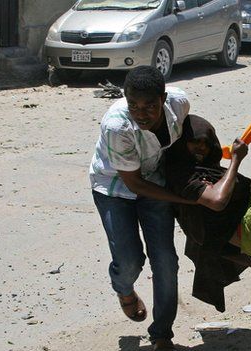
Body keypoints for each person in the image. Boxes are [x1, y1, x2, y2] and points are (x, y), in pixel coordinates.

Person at [89, 66, 192, 351]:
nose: (141, 113)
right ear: (125, 99)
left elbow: (190, 132)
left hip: (155, 181)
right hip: (114, 187)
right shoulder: (117, 126)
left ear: (164, 98)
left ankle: (162, 334)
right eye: (133, 104)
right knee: (129, 261)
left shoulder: (179, 102)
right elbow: (134, 183)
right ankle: (124, 290)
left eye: (150, 105)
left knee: (165, 260)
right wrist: (184, 199)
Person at [165, 115, 251, 313]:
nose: (200, 148)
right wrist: (236, 160)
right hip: (221, 232)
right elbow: (217, 200)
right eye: (194, 142)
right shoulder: (182, 174)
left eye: (205, 143)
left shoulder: (206, 169)